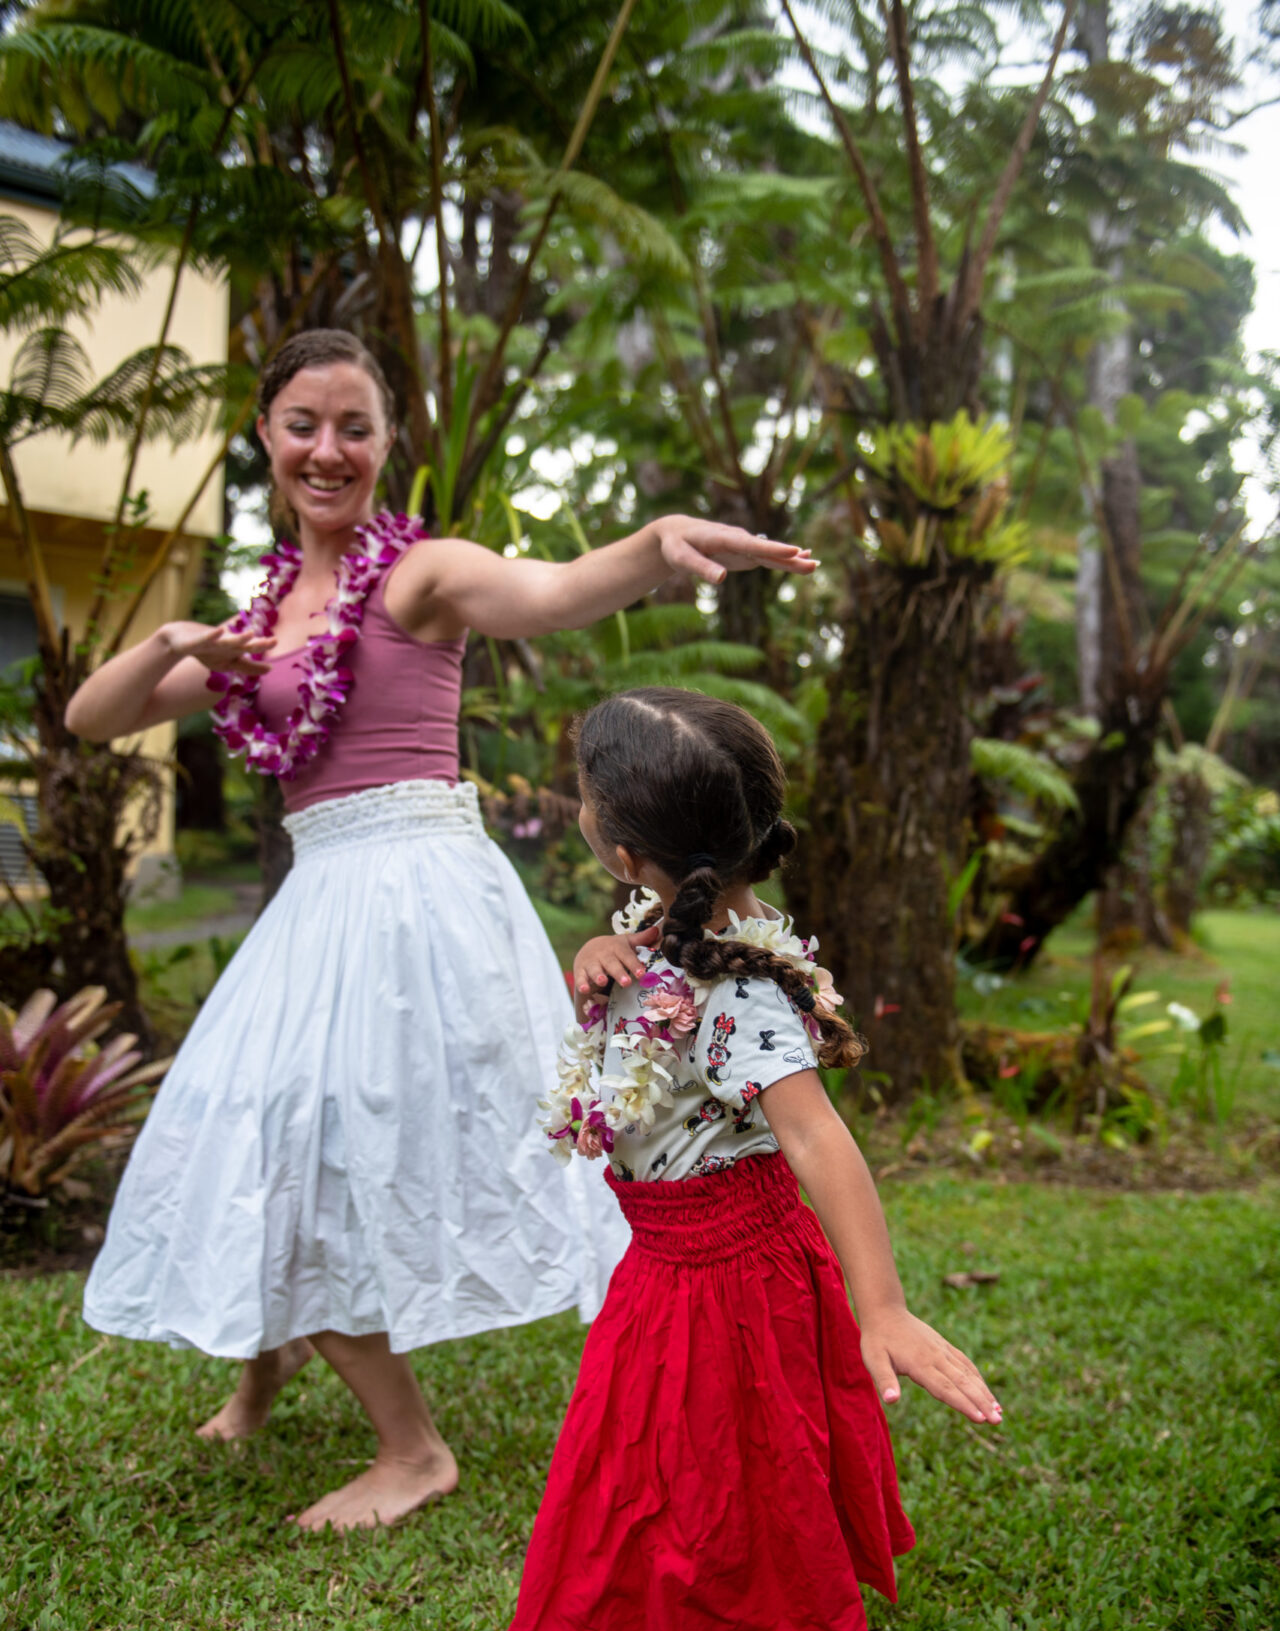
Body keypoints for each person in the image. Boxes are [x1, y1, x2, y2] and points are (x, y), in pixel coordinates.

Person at [66, 328, 816, 1533]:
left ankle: (411, 1452)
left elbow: (550, 589)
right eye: (303, 424)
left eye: (353, 427)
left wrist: (652, 551)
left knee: (318, 1135)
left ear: (384, 443)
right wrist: (171, 644)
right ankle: (273, 1362)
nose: (328, 448)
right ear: (265, 434)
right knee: (270, 1123)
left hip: (415, 887)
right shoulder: (249, 624)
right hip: (321, 894)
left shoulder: (416, 576)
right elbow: (92, 717)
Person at [508, 687, 1003, 1631]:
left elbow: (819, 1141)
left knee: (693, 1523)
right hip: (666, 1265)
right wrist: (595, 949)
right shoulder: (670, 923)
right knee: (647, 1491)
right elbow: (632, 1017)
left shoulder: (736, 989)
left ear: (622, 840)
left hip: (724, 1280)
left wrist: (880, 1308)